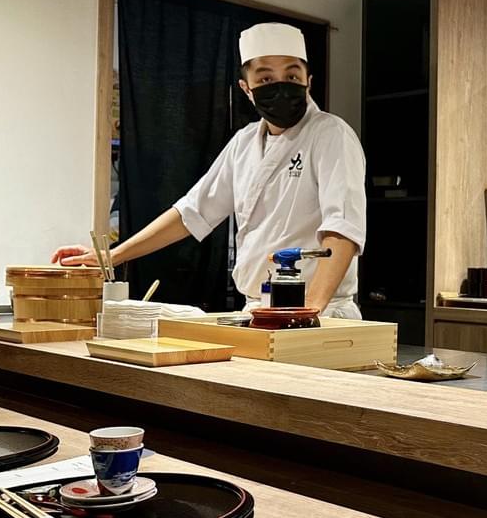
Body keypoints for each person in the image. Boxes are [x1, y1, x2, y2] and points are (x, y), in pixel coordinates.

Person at [53, 23, 367, 317]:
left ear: (308, 81)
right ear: (247, 87)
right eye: (266, 79)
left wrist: (309, 311)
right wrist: (109, 257)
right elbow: (192, 212)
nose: (281, 86)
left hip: (320, 313)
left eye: (292, 75)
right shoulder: (244, 144)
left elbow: (342, 230)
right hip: (259, 310)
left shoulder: (330, 134)